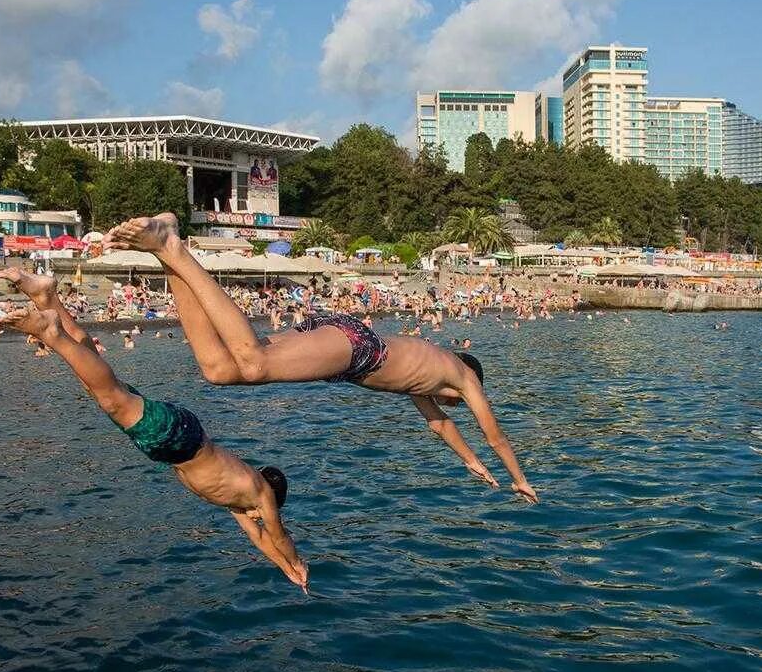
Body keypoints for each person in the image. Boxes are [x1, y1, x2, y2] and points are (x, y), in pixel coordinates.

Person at [103, 214, 537, 502]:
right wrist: (519, 479)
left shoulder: (428, 380)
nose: (452, 405)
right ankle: (176, 248)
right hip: (358, 349)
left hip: (346, 343)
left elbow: (439, 425)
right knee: (253, 363)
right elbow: (494, 434)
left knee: (219, 370)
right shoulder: (463, 376)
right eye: (460, 400)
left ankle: (167, 252)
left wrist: (469, 461)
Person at [0, 268, 308, 590]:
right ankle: (52, 333)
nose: (260, 524)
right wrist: (295, 561)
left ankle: (47, 298)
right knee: (110, 398)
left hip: (174, 442)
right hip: (179, 439)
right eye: (264, 518)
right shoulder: (260, 494)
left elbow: (261, 542)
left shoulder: (240, 505)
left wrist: (287, 571)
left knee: (98, 385)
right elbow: (277, 537)